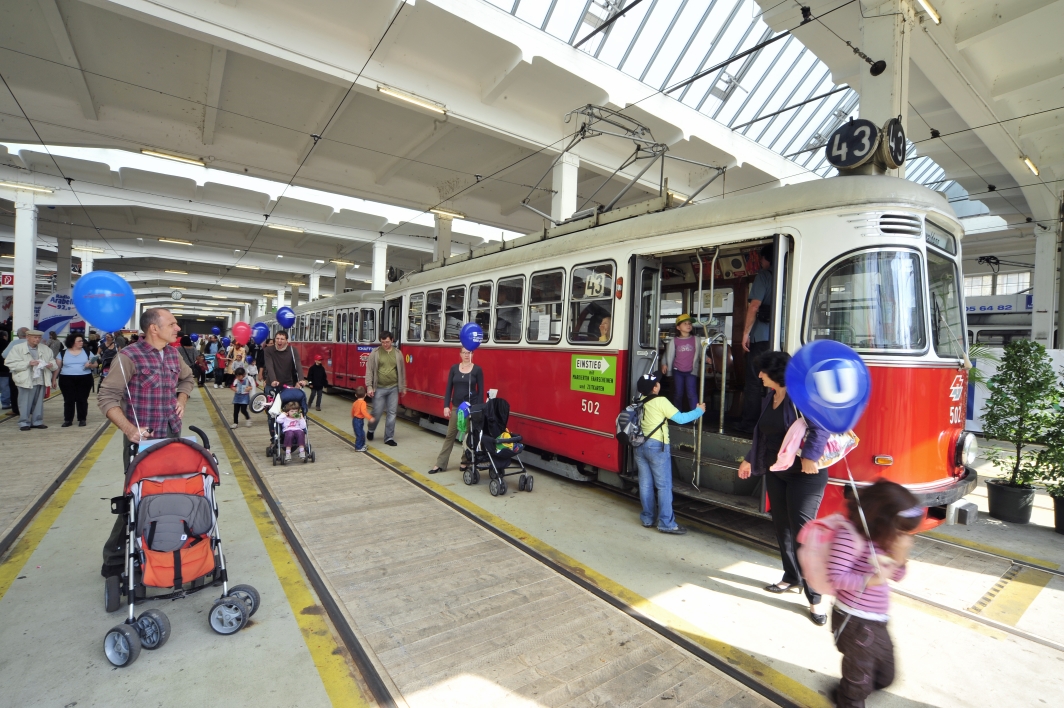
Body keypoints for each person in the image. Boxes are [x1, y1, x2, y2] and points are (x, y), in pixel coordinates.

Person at [98, 308, 194, 578]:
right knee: (136, 497)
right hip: (142, 442)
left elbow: (187, 379)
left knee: (172, 493)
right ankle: (116, 558)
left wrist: (181, 399)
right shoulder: (129, 357)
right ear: (154, 328)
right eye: (173, 324)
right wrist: (129, 430)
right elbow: (106, 398)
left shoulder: (174, 354)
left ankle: (166, 546)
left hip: (171, 435)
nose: (177, 328)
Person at [737, 350, 830, 624]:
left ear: (776, 373)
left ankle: (815, 599)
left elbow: (821, 427)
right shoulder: (771, 397)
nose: (760, 376)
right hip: (777, 472)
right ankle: (791, 577)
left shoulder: (801, 396)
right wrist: (748, 459)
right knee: (782, 528)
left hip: (805, 475)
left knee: (804, 535)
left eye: (763, 372)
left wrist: (811, 457)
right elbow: (764, 435)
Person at [828, 481, 920, 708]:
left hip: (877, 619)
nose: (902, 535)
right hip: (854, 619)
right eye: (899, 529)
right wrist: (873, 579)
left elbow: (897, 576)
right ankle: (848, 699)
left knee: (885, 677)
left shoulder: (882, 537)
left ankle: (857, 687)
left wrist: (900, 556)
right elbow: (835, 578)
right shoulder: (849, 537)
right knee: (858, 676)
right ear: (882, 521)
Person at [632, 373, 705, 534]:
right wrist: (699, 411)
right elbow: (680, 418)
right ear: (655, 387)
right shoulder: (661, 401)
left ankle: (647, 518)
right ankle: (666, 522)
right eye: (657, 382)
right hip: (657, 447)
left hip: (639, 446)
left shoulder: (639, 402)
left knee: (645, 484)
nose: (659, 384)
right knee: (663, 486)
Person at [428, 347, 484, 474]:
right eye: (464, 352)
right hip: (456, 407)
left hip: (471, 408)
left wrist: (478, 409)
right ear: (460, 354)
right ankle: (440, 463)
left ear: (472, 354)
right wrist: (446, 405)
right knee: (450, 435)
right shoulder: (454, 368)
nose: (466, 355)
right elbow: (449, 388)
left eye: (469, 352)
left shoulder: (477, 370)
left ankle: (465, 461)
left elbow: (481, 391)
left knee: (468, 436)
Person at [739, 245, 775, 432]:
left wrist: (745, 333)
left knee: (754, 381)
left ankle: (749, 425)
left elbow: (754, 306)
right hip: (777, 338)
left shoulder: (764, 276)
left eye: (761, 259)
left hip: (760, 338)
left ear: (766, 260)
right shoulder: (787, 276)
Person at [4, 329, 58, 430]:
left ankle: (37, 421)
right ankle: (24, 422)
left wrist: (51, 365)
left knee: (39, 402)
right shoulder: (17, 348)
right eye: (35, 337)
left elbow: (53, 362)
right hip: (25, 379)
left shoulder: (45, 349)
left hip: (41, 378)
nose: (37, 340)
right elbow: (9, 363)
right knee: (24, 402)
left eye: (39, 338)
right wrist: (28, 363)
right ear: (28, 337)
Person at [365, 331, 406, 447]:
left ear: (392, 340)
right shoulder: (375, 353)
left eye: (387, 342)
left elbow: (402, 371)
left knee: (392, 413)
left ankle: (389, 437)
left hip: (393, 388)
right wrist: (369, 387)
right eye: (383, 342)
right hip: (379, 388)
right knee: (377, 413)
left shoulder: (398, 354)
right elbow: (369, 371)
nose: (385, 344)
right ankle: (371, 429)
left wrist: (402, 387)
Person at [661, 314, 704, 412]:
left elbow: (702, 353)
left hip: (691, 371)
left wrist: (707, 359)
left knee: (692, 393)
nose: (688, 325)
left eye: (689, 323)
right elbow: (666, 354)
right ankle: (677, 414)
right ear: (678, 327)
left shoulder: (696, 340)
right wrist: (664, 364)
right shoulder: (674, 341)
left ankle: (695, 416)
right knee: (678, 393)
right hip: (677, 371)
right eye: (685, 324)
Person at [57, 332, 97, 427]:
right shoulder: (62, 353)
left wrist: (90, 365)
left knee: (82, 399)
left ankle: (82, 419)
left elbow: (95, 364)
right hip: (66, 378)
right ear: (72, 342)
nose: (81, 342)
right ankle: (68, 419)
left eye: (82, 340)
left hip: (84, 378)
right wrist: (53, 379)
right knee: (68, 399)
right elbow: (57, 367)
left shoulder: (87, 351)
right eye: (79, 341)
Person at [3, 327, 27, 416]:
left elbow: (4, 354)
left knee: (14, 391)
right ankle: (29, 409)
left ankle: (16, 410)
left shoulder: (14, 343)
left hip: (16, 371)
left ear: (18, 335)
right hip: (30, 371)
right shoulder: (33, 343)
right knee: (29, 391)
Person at [351, 386, 375, 452]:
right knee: (360, 434)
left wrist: (353, 417)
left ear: (355, 395)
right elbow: (363, 411)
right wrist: (370, 418)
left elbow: (352, 411)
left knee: (361, 433)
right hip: (359, 420)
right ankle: (358, 447)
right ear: (365, 395)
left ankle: (362, 445)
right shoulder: (363, 403)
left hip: (355, 420)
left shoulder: (355, 403)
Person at [0, 331, 10, 410]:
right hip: (4, 369)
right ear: (4, 336)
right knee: (5, 387)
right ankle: (5, 404)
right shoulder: (7, 345)